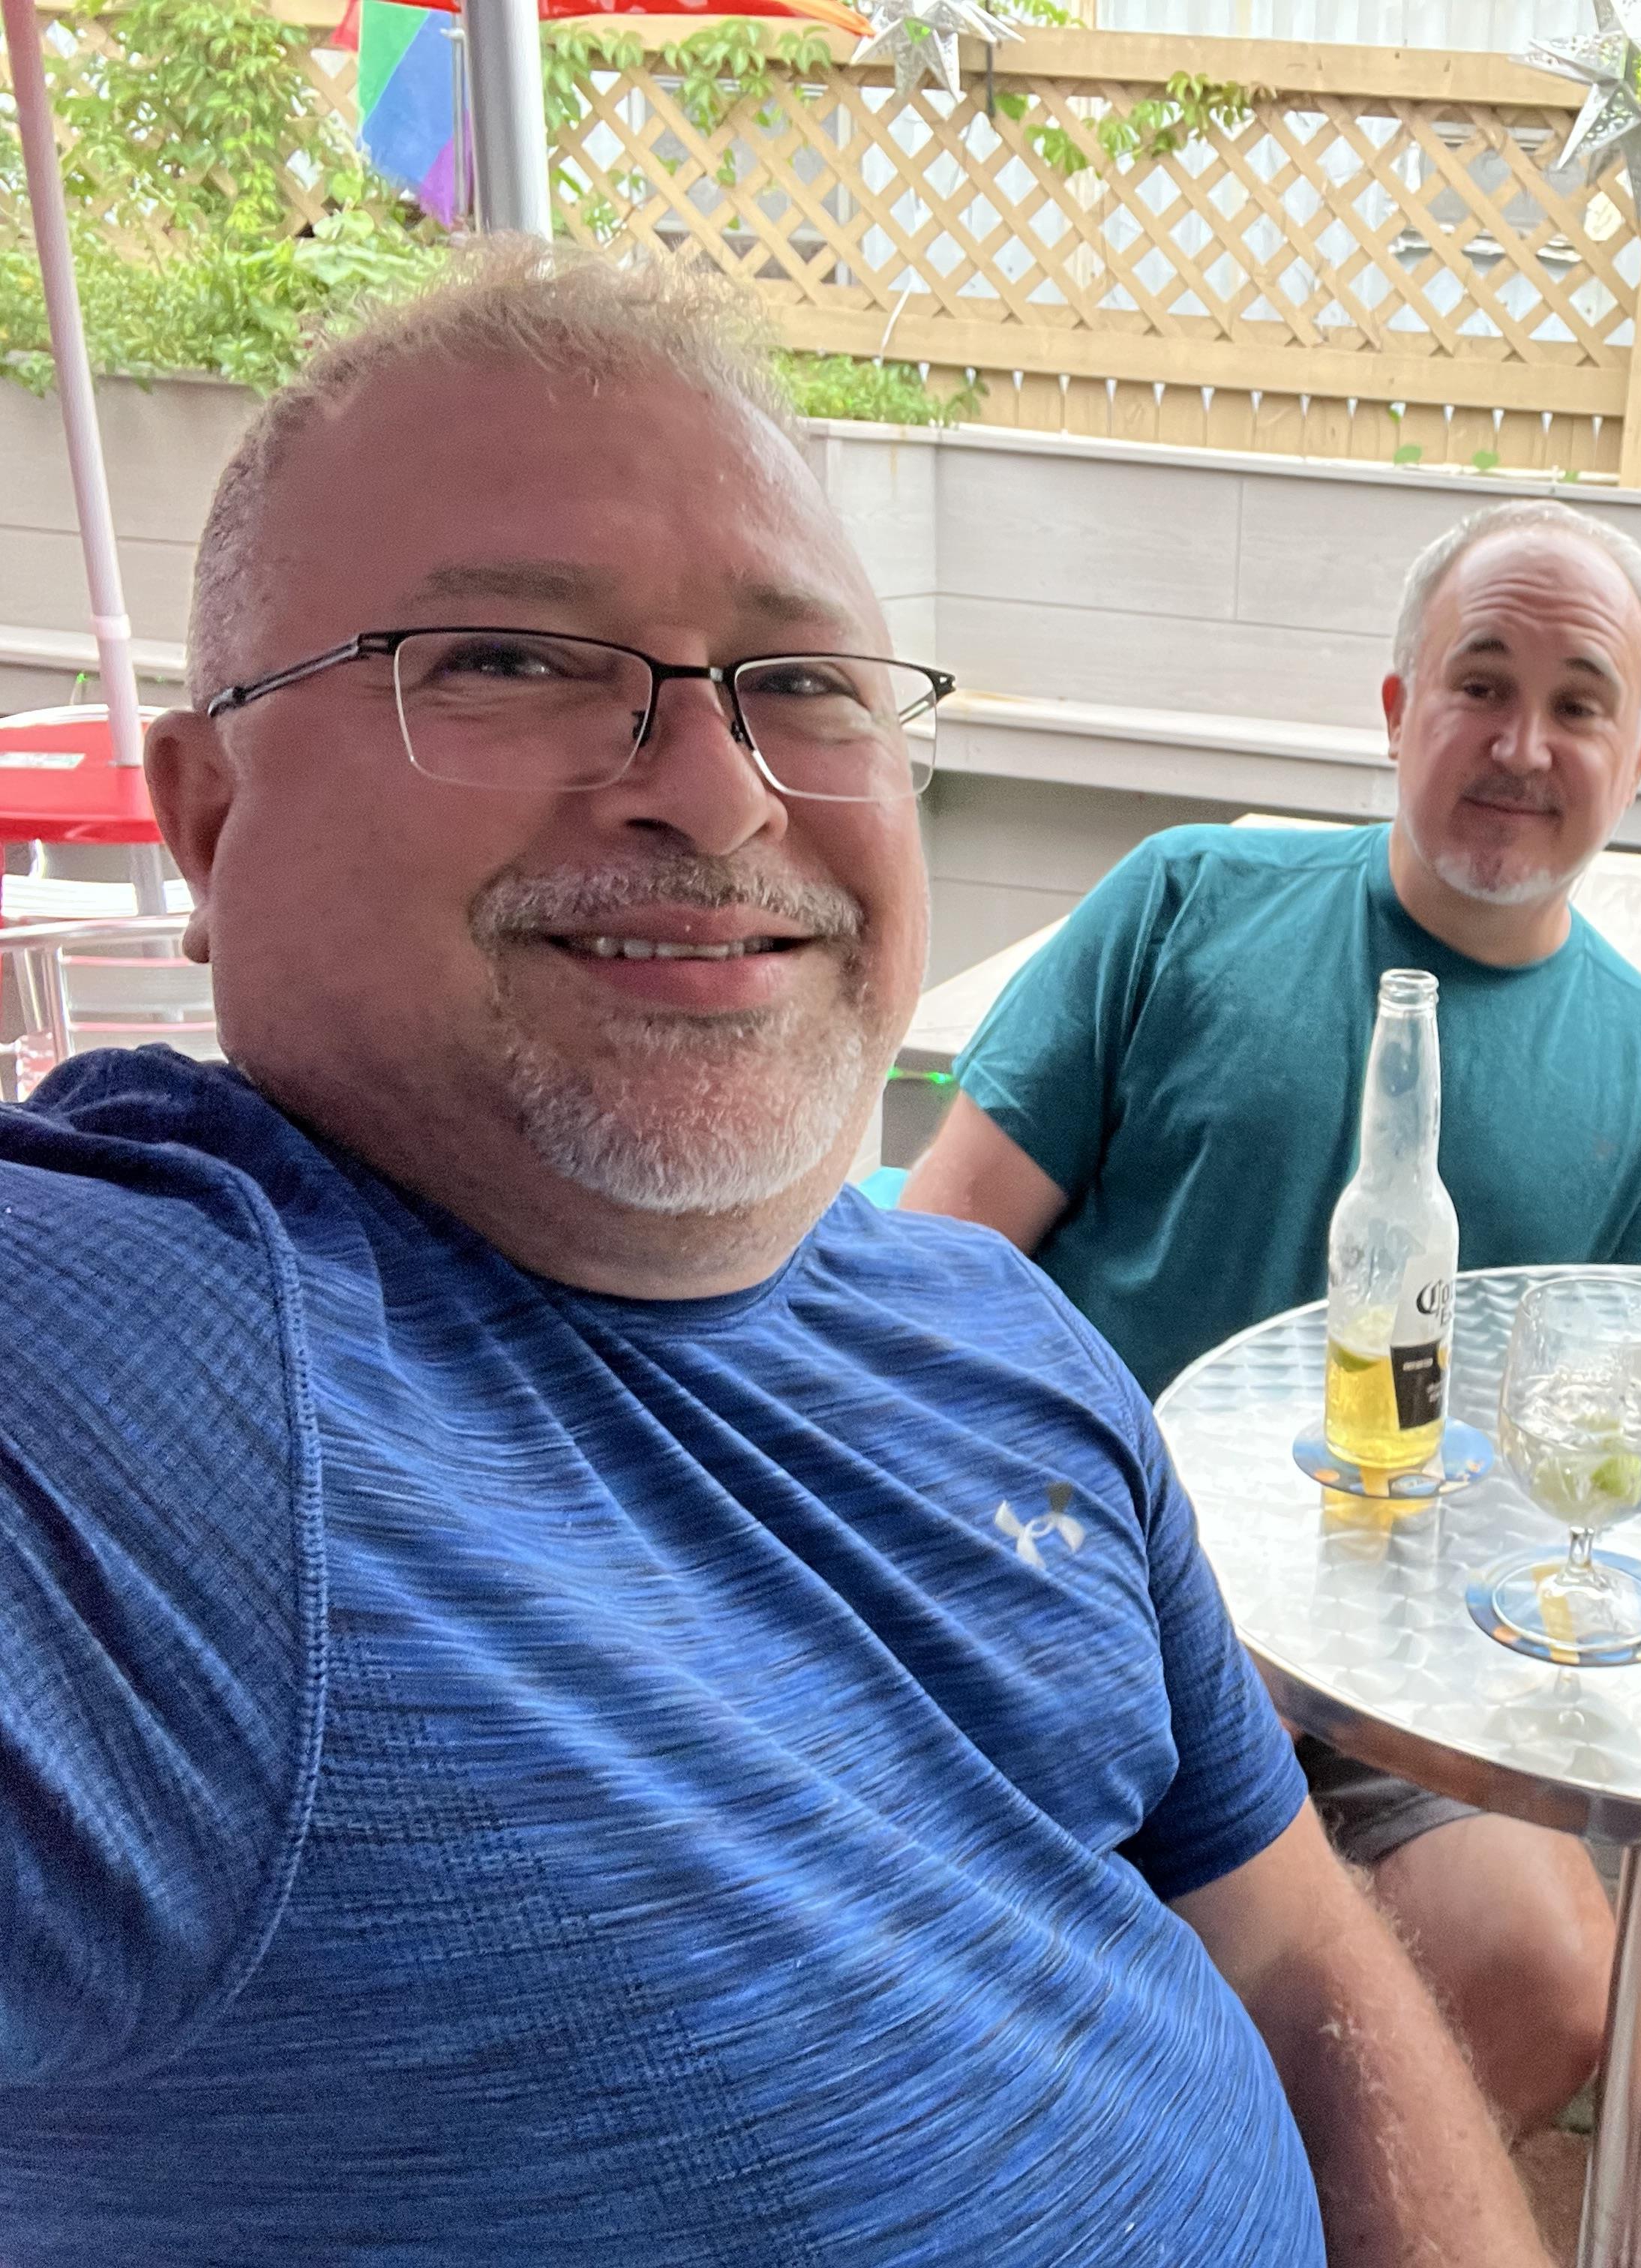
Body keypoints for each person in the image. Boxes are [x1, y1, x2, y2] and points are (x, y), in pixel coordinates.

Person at [0, 244, 1552, 2268]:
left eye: (801, 683)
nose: (718, 792)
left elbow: (1291, 1946)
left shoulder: (1003, 1342)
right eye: (510, 660)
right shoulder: (144, 1390)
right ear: (209, 818)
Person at [900, 498, 1641, 2134]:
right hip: (1094, 1588)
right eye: (1479, 684)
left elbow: (1609, 1465)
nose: (1522, 744)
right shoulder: (1184, 899)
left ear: (1636, 758)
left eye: (1578, 705)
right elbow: (942, 1268)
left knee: (1550, 1971)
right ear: (1397, 707)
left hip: (1409, 1676)